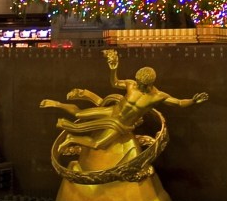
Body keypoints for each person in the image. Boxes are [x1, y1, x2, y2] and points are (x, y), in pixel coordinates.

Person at [41, 48, 209, 153]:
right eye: (139, 83)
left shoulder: (158, 96)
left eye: (143, 85)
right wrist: (113, 68)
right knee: (80, 113)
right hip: (111, 111)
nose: (140, 86)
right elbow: (114, 82)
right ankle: (56, 104)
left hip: (121, 125)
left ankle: (71, 138)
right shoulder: (131, 85)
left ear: (150, 84)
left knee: (98, 144)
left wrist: (193, 101)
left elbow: (178, 103)